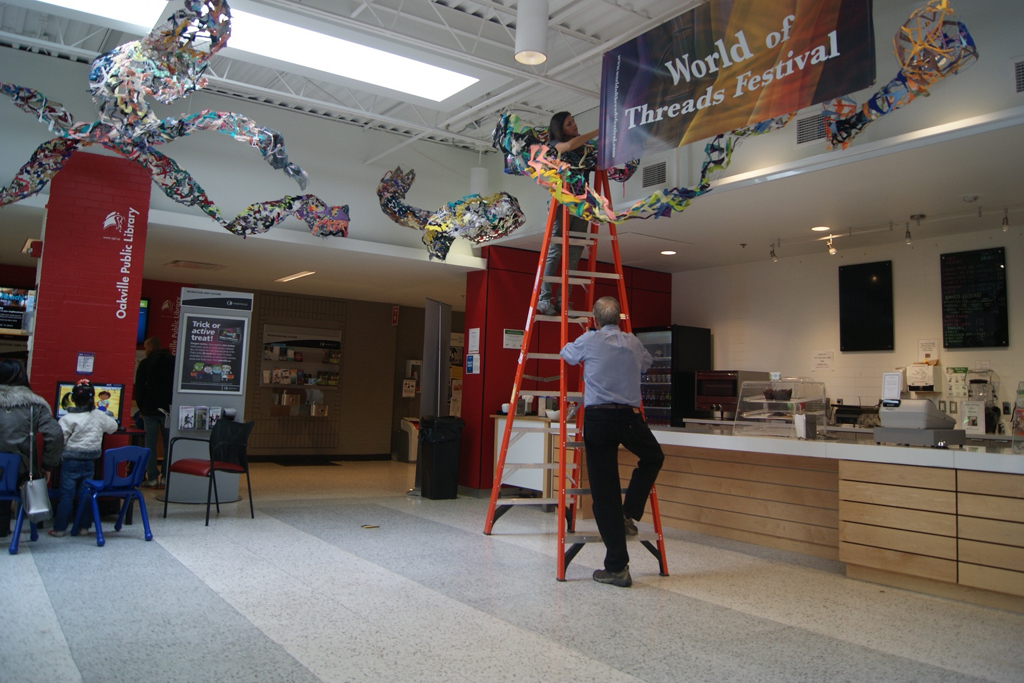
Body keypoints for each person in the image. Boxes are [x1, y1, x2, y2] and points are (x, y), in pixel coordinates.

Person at [559, 296, 665, 587]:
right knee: (654, 456)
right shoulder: (633, 342)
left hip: (599, 420)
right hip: (629, 418)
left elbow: (566, 354)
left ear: (595, 320)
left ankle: (618, 567)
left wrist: (587, 336)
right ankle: (629, 513)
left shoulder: (589, 340)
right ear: (619, 319)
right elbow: (647, 364)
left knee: (605, 494)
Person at [536, 111, 600, 317]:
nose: (574, 125)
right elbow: (570, 146)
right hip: (562, 201)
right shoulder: (555, 145)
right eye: (569, 124)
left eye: (573, 122)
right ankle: (544, 299)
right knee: (556, 249)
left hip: (581, 203)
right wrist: (600, 130)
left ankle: (563, 300)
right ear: (560, 130)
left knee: (574, 252)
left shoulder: (585, 148)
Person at [0, 359, 63, 537]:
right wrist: (47, 465)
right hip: (21, 472)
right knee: (11, 481)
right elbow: (55, 434)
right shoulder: (34, 405)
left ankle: (2, 527)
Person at [49, 380, 119, 537]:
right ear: (93, 398)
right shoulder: (99, 415)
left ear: (72, 398)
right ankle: (84, 527)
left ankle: (59, 529)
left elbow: (61, 439)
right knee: (85, 494)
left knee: (67, 495)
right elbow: (113, 427)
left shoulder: (67, 418)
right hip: (89, 461)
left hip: (70, 461)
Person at [134, 336, 175, 486]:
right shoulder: (174, 361)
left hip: (150, 410)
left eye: (146, 348)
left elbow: (139, 388)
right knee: (168, 444)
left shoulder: (145, 363)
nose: (145, 351)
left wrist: (142, 408)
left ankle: (151, 478)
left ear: (151, 347)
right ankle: (165, 477)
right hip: (168, 410)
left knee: (149, 444)